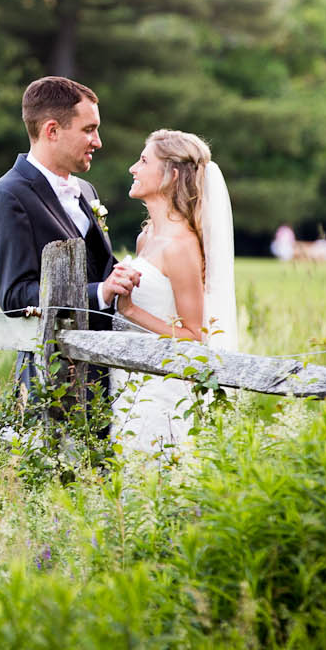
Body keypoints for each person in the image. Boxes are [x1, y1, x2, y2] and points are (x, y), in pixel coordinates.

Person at [0, 77, 141, 425]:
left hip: (103, 373)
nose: (98, 141)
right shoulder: (7, 198)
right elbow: (16, 297)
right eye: (89, 129)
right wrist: (99, 293)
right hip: (51, 381)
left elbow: (97, 265)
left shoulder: (85, 189)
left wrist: (118, 275)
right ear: (52, 130)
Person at [109, 129, 238, 457]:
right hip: (126, 380)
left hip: (160, 391)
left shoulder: (181, 247)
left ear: (172, 175)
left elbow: (195, 336)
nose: (132, 169)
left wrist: (130, 311)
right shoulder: (146, 238)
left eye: (143, 160)